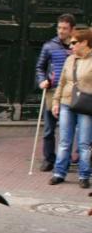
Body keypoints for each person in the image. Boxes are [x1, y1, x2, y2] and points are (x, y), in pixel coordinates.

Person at [49, 27, 92, 188]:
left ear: (85, 43)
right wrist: (55, 102)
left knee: (84, 143)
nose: (70, 46)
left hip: (86, 105)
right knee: (64, 141)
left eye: (74, 42)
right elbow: (61, 82)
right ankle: (59, 172)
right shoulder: (70, 59)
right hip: (67, 103)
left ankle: (84, 175)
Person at [35, 14, 76, 171]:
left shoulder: (76, 47)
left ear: (72, 29)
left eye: (65, 28)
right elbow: (40, 67)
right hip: (52, 91)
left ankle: (67, 159)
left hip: (71, 92)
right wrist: (41, 80)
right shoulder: (49, 46)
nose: (61, 31)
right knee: (49, 129)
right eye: (59, 27)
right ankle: (49, 159)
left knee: (70, 129)